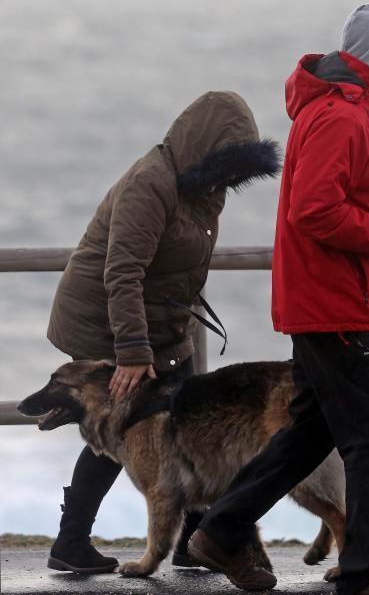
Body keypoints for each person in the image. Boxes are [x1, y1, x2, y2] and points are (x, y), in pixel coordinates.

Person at [188, 3, 369, 594]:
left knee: (309, 432)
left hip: (329, 301)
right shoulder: (343, 116)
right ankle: (368, 570)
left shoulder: (341, 108)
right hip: (336, 306)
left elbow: (329, 204)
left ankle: (221, 531)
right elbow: (315, 211)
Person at [44, 91, 281, 573]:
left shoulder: (204, 187)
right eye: (226, 165)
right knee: (120, 426)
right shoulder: (150, 185)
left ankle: (194, 541)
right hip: (107, 323)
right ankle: (70, 543)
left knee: (185, 419)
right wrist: (132, 351)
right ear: (203, 149)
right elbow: (123, 271)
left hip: (158, 321)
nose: (231, 179)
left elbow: (178, 261)